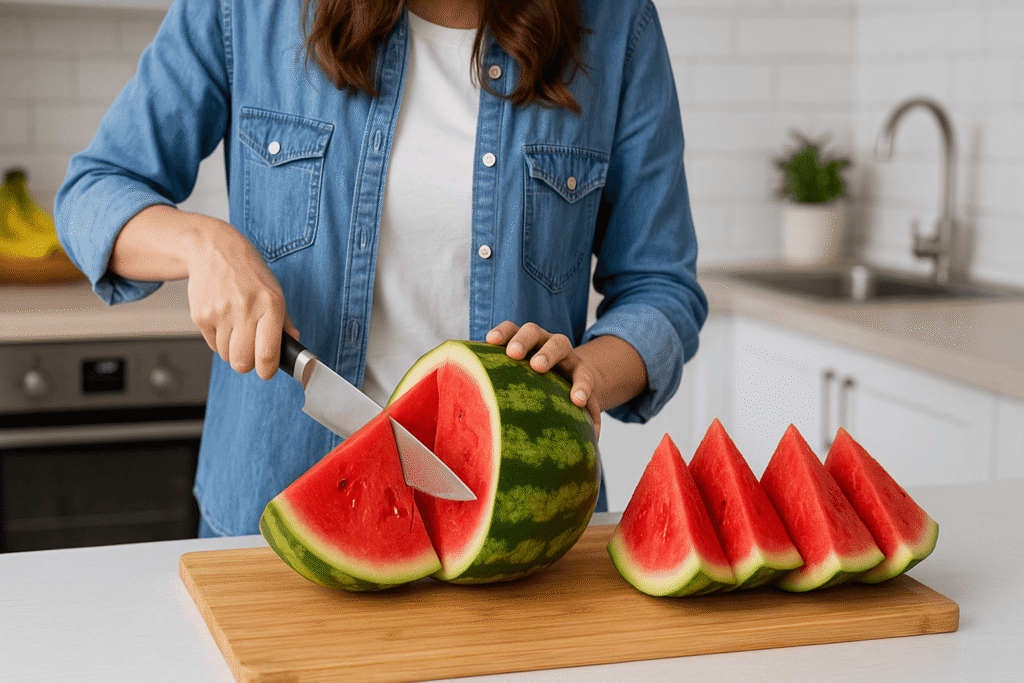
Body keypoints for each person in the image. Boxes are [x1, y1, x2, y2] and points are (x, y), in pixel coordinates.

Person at [55, 0, 707, 537]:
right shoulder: (246, 11)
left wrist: (587, 374)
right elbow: (94, 191)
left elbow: (662, 287)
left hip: (522, 531)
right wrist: (203, 245)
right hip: (270, 516)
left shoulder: (617, 26)